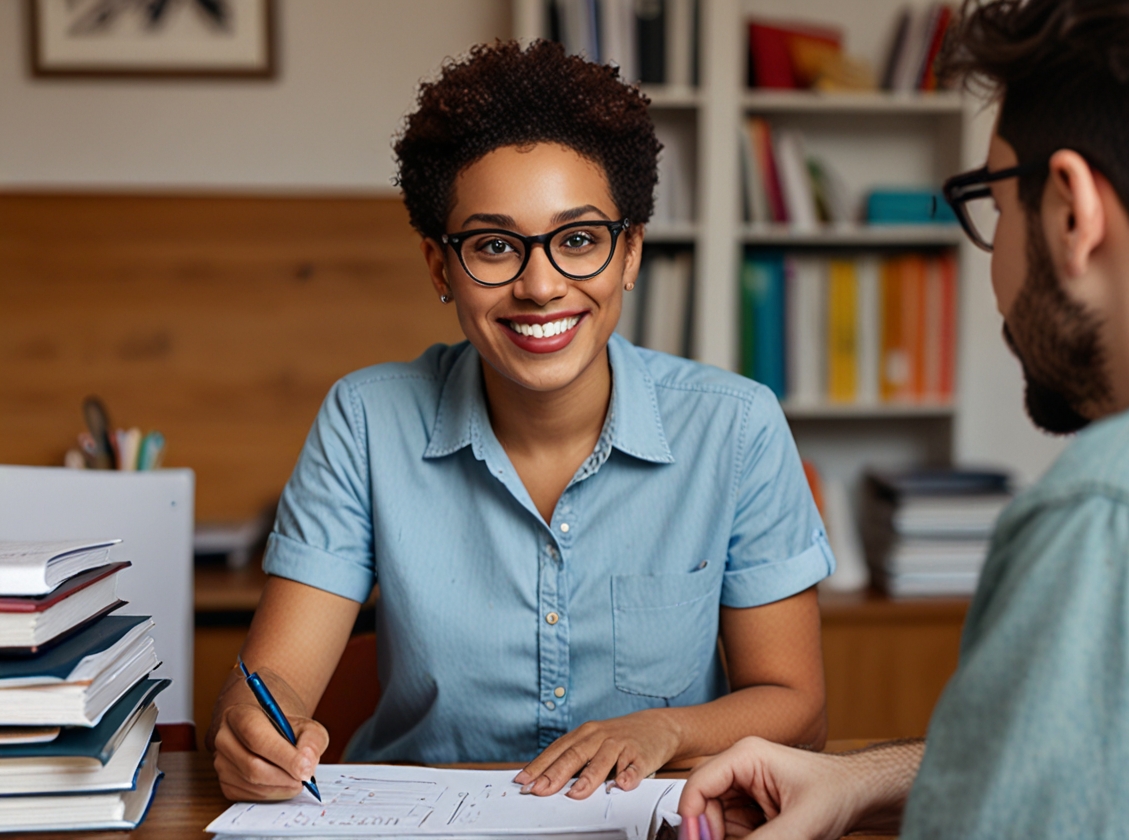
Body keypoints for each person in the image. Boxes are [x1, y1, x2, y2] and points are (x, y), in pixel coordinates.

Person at [679, 0, 1129, 837]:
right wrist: (861, 779)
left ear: (1070, 211)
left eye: (992, 202)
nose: (992, 267)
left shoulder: (1125, 512)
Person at [206, 40, 835, 803]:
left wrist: (665, 730)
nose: (541, 286)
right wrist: (252, 726)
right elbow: (275, 681)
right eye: (495, 246)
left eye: (578, 240)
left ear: (630, 253)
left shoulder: (736, 429)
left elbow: (798, 708)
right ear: (441, 267)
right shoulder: (366, 420)